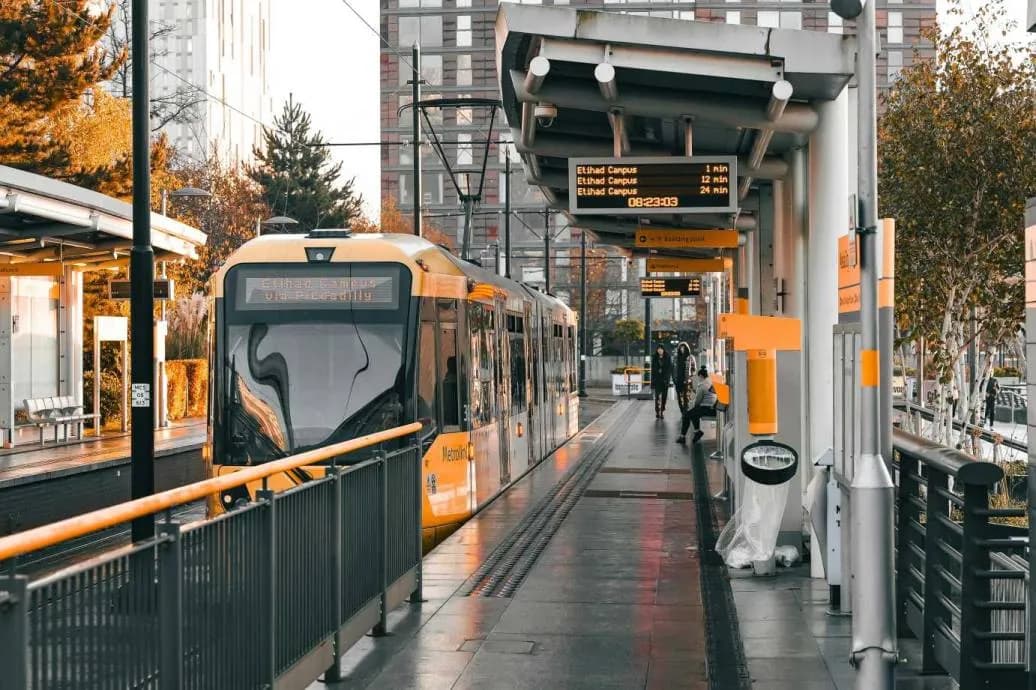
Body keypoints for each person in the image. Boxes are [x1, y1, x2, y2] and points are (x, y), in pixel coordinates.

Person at [677, 367, 718, 444]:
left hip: (707, 408)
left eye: (698, 377)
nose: (698, 379)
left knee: (686, 415)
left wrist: (692, 407)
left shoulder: (702, 385)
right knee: (693, 414)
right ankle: (697, 432)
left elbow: (697, 402)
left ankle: (682, 437)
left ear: (701, 376)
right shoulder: (710, 382)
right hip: (713, 408)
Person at [672, 342, 696, 415]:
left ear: (687, 348)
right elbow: (673, 369)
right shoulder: (676, 358)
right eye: (681, 348)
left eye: (684, 348)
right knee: (679, 398)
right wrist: (674, 379)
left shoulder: (691, 357)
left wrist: (690, 376)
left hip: (687, 381)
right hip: (678, 380)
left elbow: (694, 368)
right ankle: (682, 410)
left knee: (686, 397)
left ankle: (685, 411)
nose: (682, 349)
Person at [650, 345, 672, 419]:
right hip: (657, 380)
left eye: (661, 349)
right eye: (658, 349)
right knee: (657, 396)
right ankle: (657, 411)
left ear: (663, 350)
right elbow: (653, 370)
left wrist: (667, 379)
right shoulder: (654, 358)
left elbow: (669, 369)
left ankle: (662, 411)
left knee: (664, 397)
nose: (659, 350)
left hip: (665, 380)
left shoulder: (668, 357)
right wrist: (652, 381)